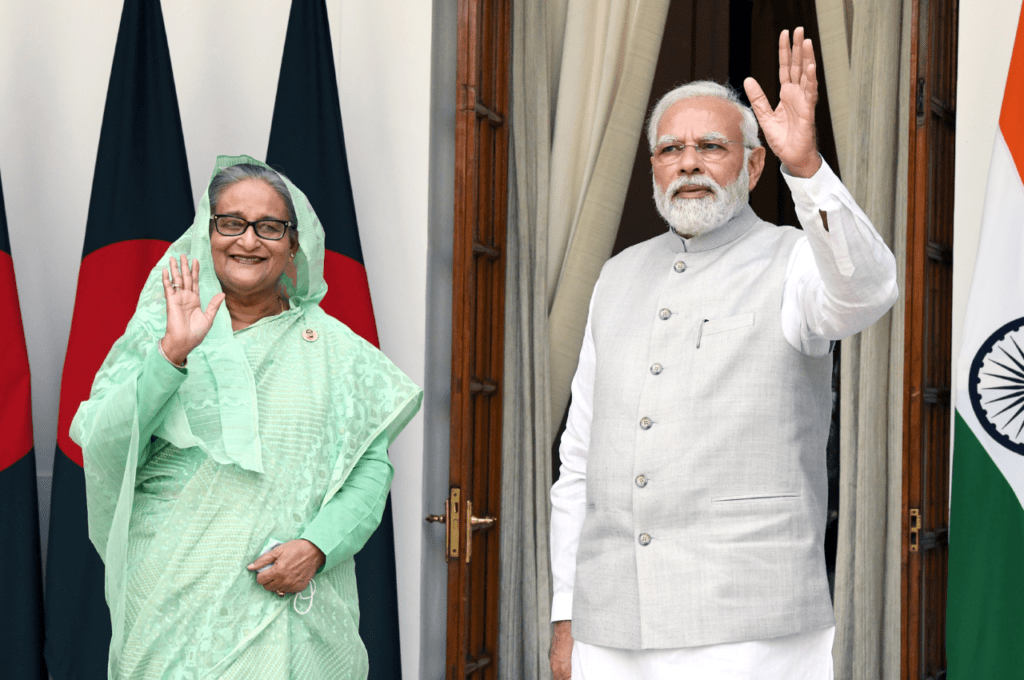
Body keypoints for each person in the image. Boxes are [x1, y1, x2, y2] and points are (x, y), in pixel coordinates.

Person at [548, 28, 898, 680]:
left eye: (711, 146)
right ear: (653, 168)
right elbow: (580, 458)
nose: (688, 163)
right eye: (670, 149)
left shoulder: (796, 260)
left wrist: (808, 169)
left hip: (752, 627)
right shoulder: (615, 275)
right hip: (613, 624)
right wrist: (566, 611)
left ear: (754, 166)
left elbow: (869, 292)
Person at [71, 155, 422, 679]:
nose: (249, 241)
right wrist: (171, 356)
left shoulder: (335, 349)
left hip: (289, 606)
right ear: (207, 234)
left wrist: (319, 547)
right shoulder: (159, 332)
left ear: (294, 244)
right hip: (173, 600)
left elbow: (370, 470)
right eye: (231, 223)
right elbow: (104, 443)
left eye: (269, 227)